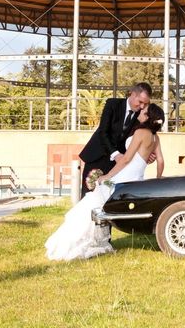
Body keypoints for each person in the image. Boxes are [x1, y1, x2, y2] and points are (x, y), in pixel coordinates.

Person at [45, 103, 165, 261]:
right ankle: (97, 242)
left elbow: (126, 159)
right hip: (136, 179)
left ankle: (82, 243)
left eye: (144, 111)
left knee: (92, 203)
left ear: (148, 117)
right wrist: (157, 179)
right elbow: (161, 161)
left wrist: (107, 176)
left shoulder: (140, 132)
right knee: (97, 205)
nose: (141, 112)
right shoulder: (156, 138)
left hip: (122, 177)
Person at [78, 82, 152, 197]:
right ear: (132, 94)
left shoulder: (141, 116)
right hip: (98, 156)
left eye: (145, 104)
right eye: (140, 102)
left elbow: (137, 141)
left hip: (117, 166)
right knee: (89, 195)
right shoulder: (112, 104)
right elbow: (103, 131)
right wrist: (116, 154)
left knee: (108, 197)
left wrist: (147, 154)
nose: (142, 106)